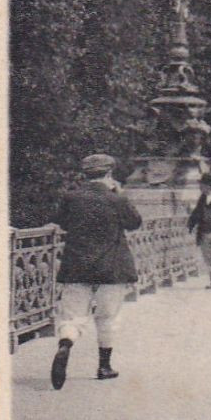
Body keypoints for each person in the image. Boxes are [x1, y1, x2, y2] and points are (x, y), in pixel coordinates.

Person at [49, 153, 142, 389]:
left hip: (77, 266)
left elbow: (61, 222)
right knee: (108, 317)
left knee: (72, 316)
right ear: (109, 174)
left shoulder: (71, 198)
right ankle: (104, 367)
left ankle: (66, 344)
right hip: (111, 267)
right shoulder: (116, 199)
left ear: (85, 174)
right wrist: (119, 194)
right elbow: (134, 222)